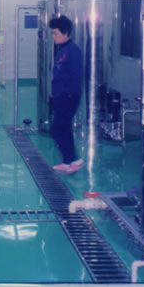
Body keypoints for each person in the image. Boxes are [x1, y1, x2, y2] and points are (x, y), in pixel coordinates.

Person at [49, 15, 85, 175]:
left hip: (68, 97)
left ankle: (75, 161)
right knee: (62, 128)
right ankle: (67, 161)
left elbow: (77, 75)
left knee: (57, 128)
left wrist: (68, 95)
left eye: (55, 33)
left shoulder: (73, 50)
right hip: (60, 96)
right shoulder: (62, 50)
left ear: (65, 33)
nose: (53, 36)